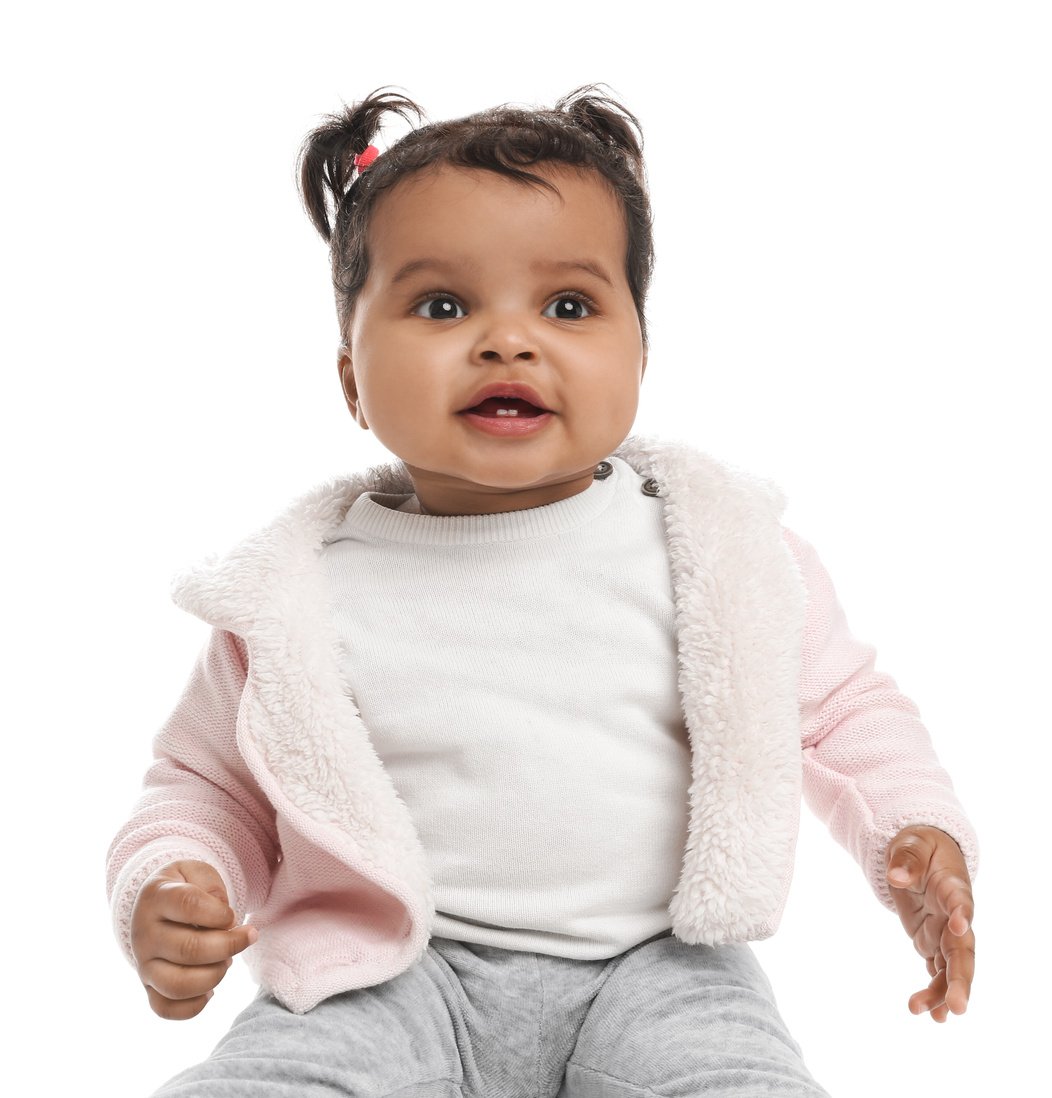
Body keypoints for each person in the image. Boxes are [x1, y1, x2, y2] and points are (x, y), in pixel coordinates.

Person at [107, 86, 978, 1097]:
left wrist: (915, 838)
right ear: (350, 376)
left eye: (567, 306)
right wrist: (172, 885)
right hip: (386, 975)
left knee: (736, 1080)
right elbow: (204, 789)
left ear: (639, 355)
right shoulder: (295, 595)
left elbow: (840, 719)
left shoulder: (716, 550)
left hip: (657, 970)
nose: (506, 341)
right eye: (442, 305)